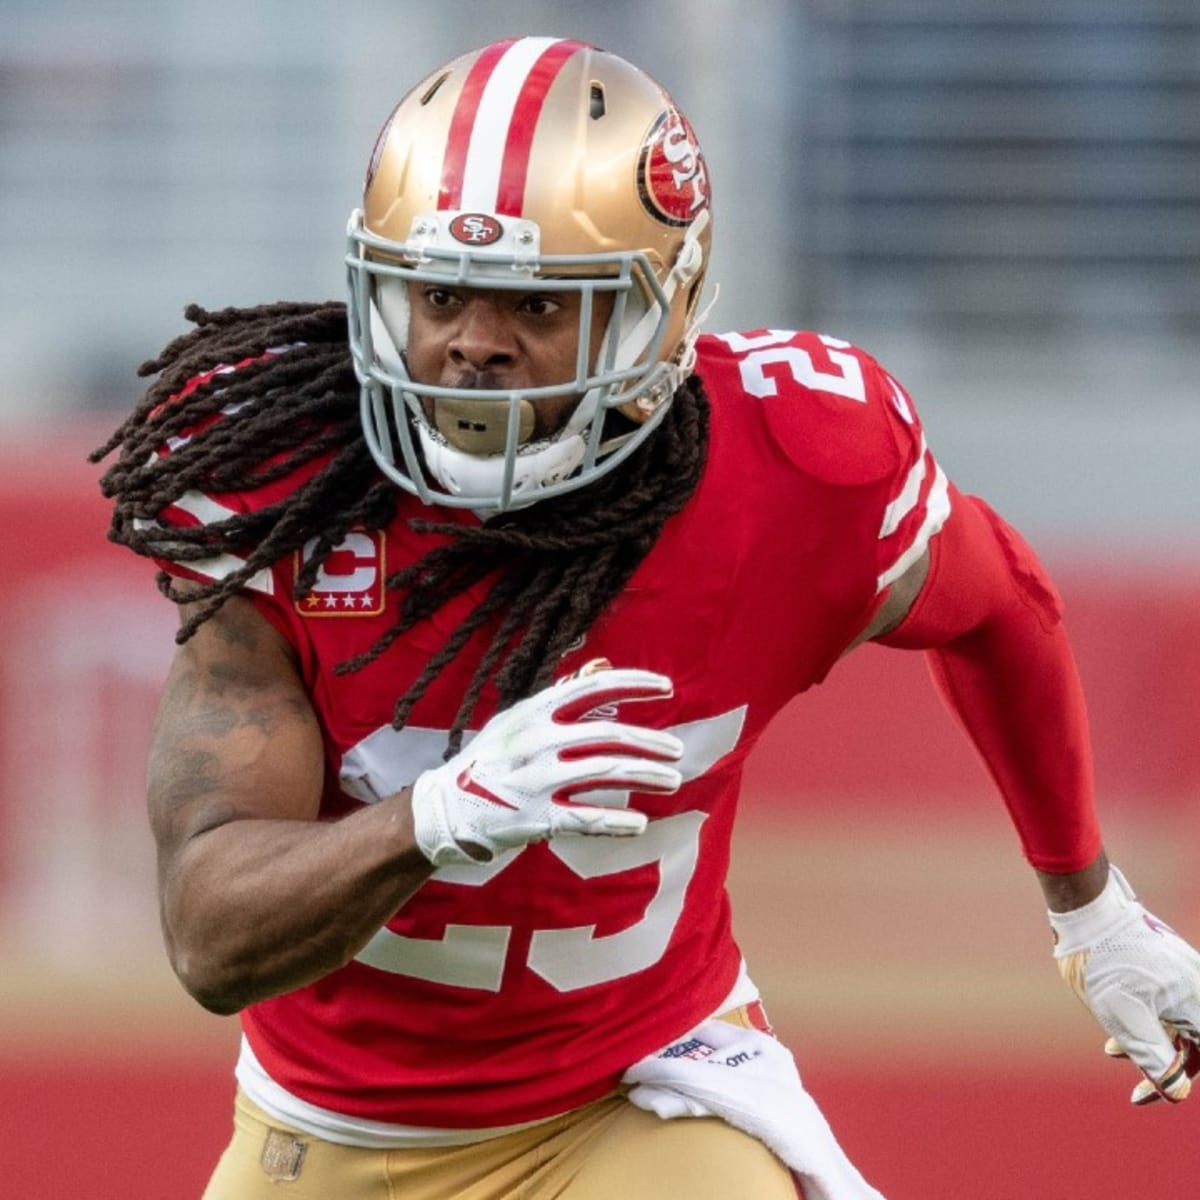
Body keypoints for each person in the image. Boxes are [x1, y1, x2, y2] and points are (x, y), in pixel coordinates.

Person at [92, 35, 1200, 1200]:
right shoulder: (282, 483)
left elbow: (1000, 608)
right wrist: (438, 815)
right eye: (438, 291)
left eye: (533, 301)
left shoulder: (800, 468)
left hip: (640, 1094)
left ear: (657, 314)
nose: (471, 340)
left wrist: (1092, 906)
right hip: (322, 1128)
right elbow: (210, 936)